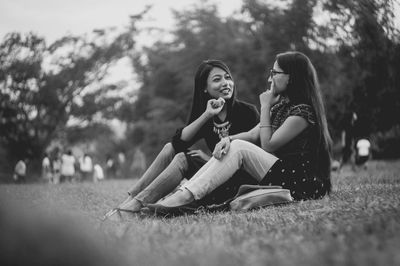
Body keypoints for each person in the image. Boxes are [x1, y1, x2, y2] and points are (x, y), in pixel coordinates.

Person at [148, 51, 332, 213]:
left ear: (291, 77)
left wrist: (265, 105)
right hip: (281, 173)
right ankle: (183, 193)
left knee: (239, 148)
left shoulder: (302, 112)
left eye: (274, 73)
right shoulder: (283, 105)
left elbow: (268, 145)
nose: (270, 79)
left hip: (299, 183)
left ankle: (186, 196)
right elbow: (253, 134)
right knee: (235, 145)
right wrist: (227, 138)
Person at [104, 59, 260, 220]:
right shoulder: (208, 114)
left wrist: (209, 159)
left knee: (181, 158)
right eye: (217, 79)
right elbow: (178, 143)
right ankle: (130, 200)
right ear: (204, 89)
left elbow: (252, 155)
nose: (226, 83)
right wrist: (207, 114)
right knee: (170, 148)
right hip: (212, 173)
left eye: (227, 77)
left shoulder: (247, 112)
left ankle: (134, 206)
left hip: (235, 183)